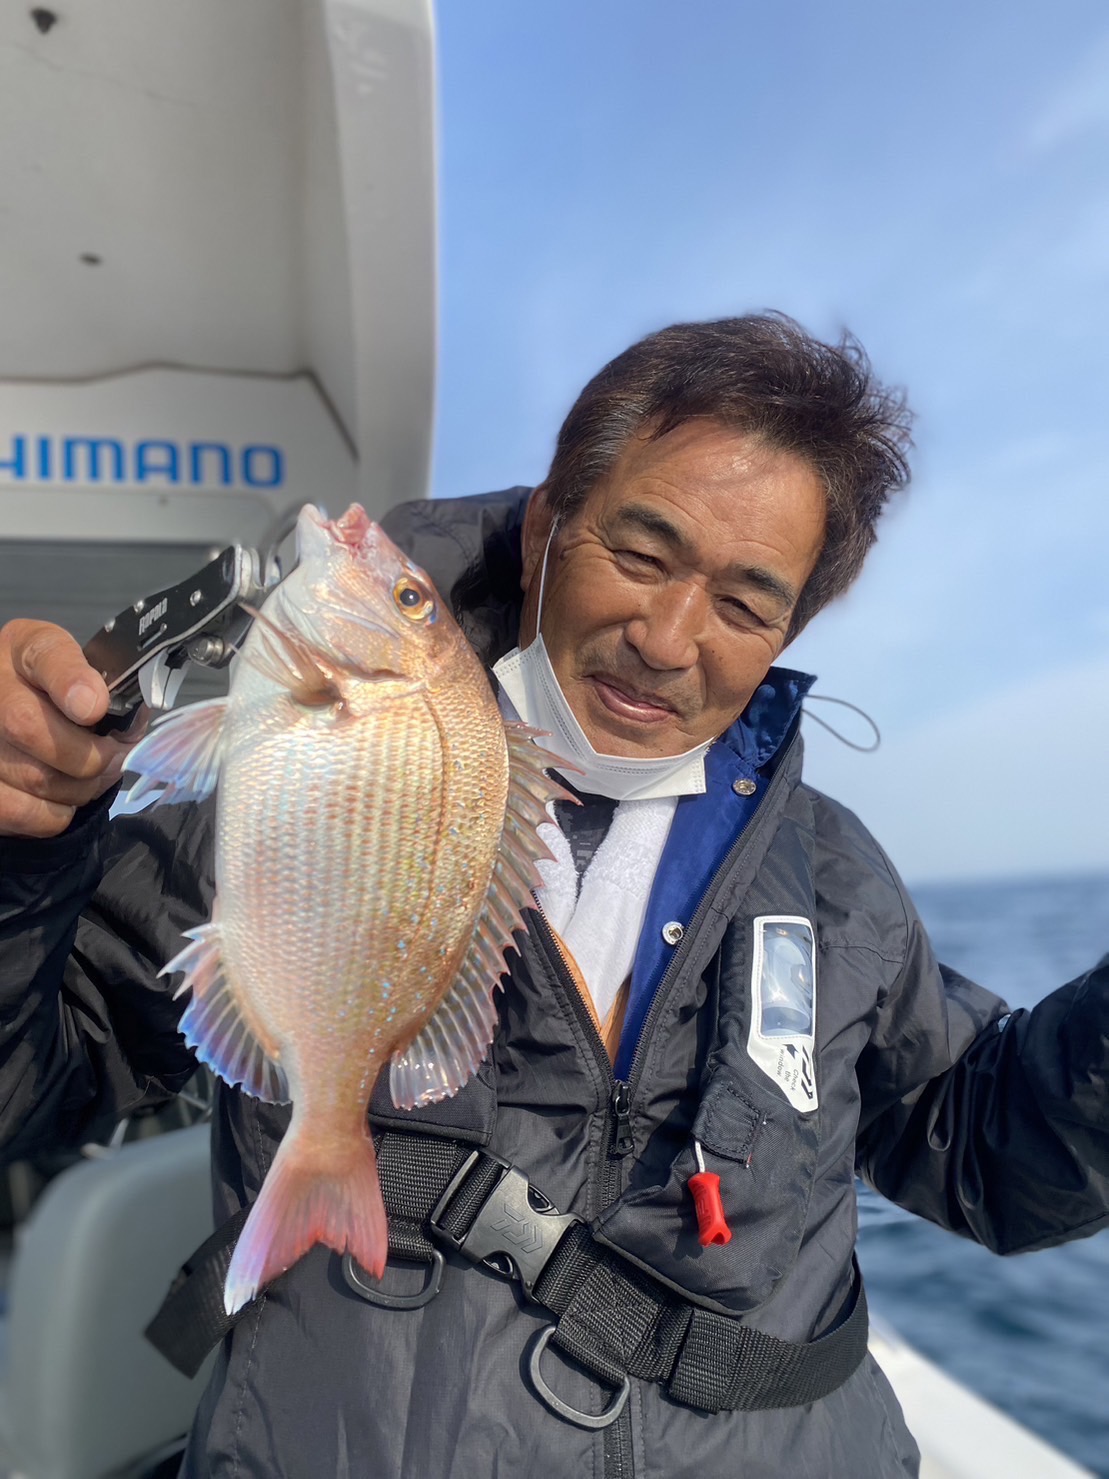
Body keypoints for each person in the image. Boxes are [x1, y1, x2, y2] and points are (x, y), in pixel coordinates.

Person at [1, 314, 1106, 1479]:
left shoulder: (835, 875)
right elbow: (29, 1084)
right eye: (639, 554)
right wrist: (25, 854)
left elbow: (985, 1155)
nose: (666, 640)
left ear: (786, 631)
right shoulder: (298, 785)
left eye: (744, 606)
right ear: (544, 531)